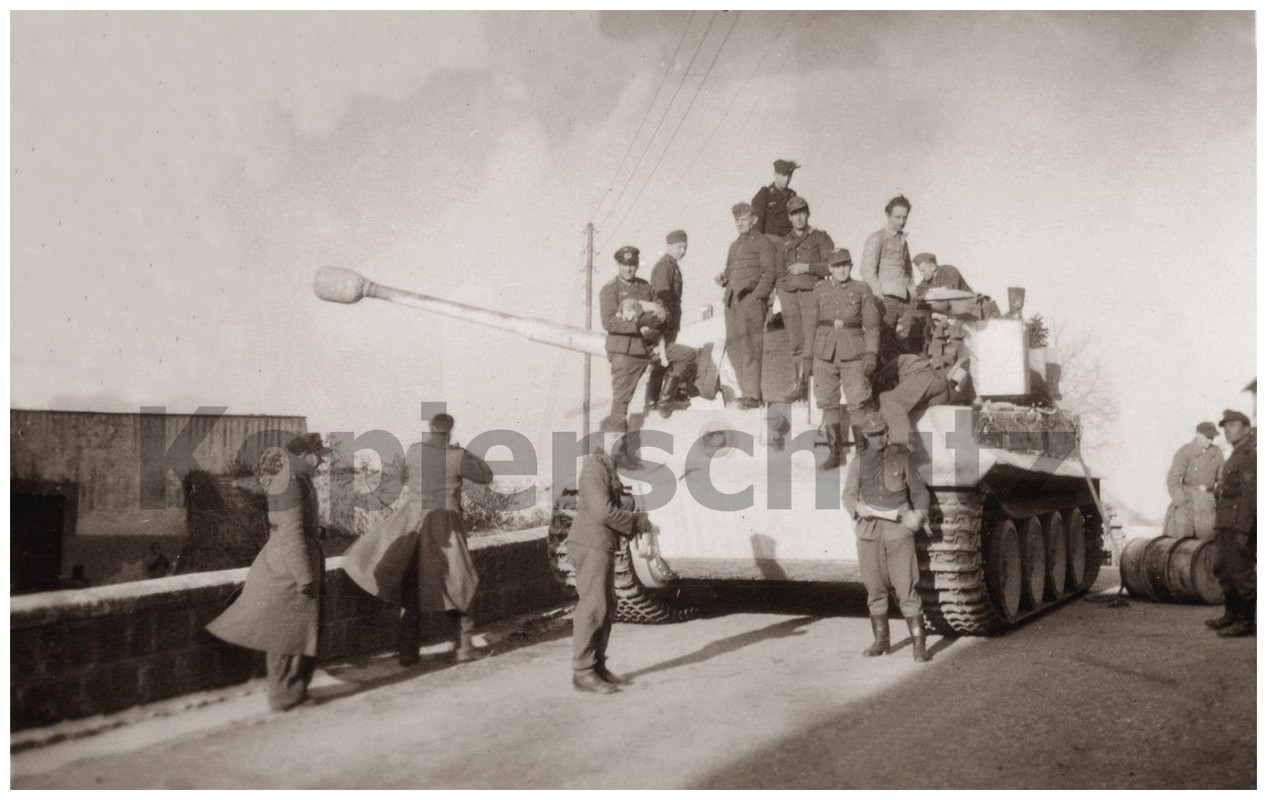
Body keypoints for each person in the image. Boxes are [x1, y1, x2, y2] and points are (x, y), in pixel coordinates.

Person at [343, 413, 494, 665]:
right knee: (460, 583)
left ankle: (407, 653)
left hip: (411, 521)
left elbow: (398, 475)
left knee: (411, 588)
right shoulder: (457, 457)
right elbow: (486, 475)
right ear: (450, 431)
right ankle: (464, 647)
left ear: (430, 430)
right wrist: (463, 451)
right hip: (446, 525)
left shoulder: (414, 452)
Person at [206, 432, 327, 711]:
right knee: (288, 632)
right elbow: (291, 532)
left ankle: (292, 692)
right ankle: (284, 695)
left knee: (297, 630)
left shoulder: (297, 478)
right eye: (318, 455)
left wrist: (316, 531)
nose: (321, 460)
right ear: (305, 455)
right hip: (291, 564)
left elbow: (297, 526)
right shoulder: (291, 482)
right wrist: (304, 576)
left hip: (296, 557)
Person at [568, 434, 653, 693]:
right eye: (616, 438)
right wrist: (636, 521)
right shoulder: (594, 468)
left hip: (600, 544)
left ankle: (597, 666)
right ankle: (583, 672)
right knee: (594, 607)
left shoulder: (607, 467)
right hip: (590, 544)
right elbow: (602, 511)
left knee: (606, 605)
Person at [841, 418, 932, 663]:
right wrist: (857, 507)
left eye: (882, 433)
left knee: (906, 588)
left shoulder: (902, 458)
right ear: (865, 436)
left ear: (887, 432)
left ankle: (918, 643)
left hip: (898, 531)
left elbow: (920, 492)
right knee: (874, 587)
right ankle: (881, 640)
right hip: (869, 531)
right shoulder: (858, 463)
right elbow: (848, 495)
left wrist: (919, 515)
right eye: (872, 434)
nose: (878, 438)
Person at [812, 248, 880, 470]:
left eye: (845, 265)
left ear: (850, 266)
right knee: (827, 401)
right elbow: (811, 324)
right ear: (830, 269)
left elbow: (872, 325)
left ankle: (862, 455)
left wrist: (871, 353)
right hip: (824, 352)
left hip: (853, 352)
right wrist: (807, 356)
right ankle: (835, 454)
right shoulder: (819, 289)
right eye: (836, 266)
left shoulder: (862, 289)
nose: (841, 270)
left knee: (858, 402)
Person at [717, 202, 778, 408]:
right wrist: (723, 279)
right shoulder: (734, 245)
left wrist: (757, 297)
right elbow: (729, 270)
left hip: (750, 302)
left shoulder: (763, 243)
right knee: (735, 347)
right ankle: (746, 392)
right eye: (737, 220)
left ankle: (753, 395)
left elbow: (770, 272)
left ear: (754, 220)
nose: (740, 224)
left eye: (743, 219)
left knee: (750, 347)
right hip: (732, 303)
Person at [598, 245, 662, 444]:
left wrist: (654, 325)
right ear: (618, 264)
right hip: (624, 351)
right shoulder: (610, 290)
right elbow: (609, 322)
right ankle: (615, 450)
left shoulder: (646, 288)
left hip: (648, 347)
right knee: (621, 403)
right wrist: (638, 322)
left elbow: (660, 313)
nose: (629, 269)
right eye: (625, 265)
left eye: (632, 265)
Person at [777, 195, 834, 402]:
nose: (799, 218)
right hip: (789, 295)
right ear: (790, 218)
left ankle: (808, 388)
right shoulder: (784, 242)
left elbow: (831, 265)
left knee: (811, 340)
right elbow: (778, 269)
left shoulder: (820, 238)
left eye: (802, 212)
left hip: (812, 293)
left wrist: (807, 268)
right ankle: (798, 386)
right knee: (795, 342)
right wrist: (783, 290)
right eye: (794, 214)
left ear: (807, 214)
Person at [1206, 409, 1256, 637]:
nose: (1227, 429)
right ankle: (1231, 615)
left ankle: (1246, 621)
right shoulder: (1236, 454)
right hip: (1225, 521)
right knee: (1223, 569)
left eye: (1233, 425)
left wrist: (1245, 529)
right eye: (1225, 426)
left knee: (1241, 573)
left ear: (1246, 429)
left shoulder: (1250, 456)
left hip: (1238, 523)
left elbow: (1251, 496)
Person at [859, 195, 914, 357]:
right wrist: (878, 294)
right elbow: (867, 270)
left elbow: (908, 270)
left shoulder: (903, 240)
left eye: (905, 217)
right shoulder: (877, 238)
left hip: (905, 301)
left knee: (901, 344)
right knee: (883, 343)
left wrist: (912, 291)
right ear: (888, 215)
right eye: (897, 217)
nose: (902, 221)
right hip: (886, 299)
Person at [646, 230, 688, 409]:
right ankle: (653, 399)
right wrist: (665, 322)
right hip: (665, 322)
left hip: (671, 322)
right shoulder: (664, 267)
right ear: (668, 246)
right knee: (661, 358)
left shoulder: (673, 266)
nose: (683, 251)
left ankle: (657, 399)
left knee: (666, 358)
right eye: (679, 247)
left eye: (685, 247)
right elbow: (661, 298)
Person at [874, 354, 951, 449]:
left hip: (922, 376)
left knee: (889, 400)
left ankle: (901, 444)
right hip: (936, 387)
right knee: (902, 410)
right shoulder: (907, 358)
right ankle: (909, 446)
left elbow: (880, 381)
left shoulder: (894, 360)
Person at [1162, 422, 1224, 540]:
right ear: (1198, 435)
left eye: (1212, 438)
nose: (1210, 441)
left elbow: (1222, 479)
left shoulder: (1217, 453)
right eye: (1207, 437)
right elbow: (1173, 479)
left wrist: (1216, 495)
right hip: (1187, 502)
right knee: (1182, 541)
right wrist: (1180, 500)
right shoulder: (1185, 451)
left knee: (1208, 541)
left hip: (1208, 503)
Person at [751, 159, 799, 237]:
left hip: (790, 241)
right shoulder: (764, 195)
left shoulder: (792, 195)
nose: (786, 179)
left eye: (789, 175)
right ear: (775, 174)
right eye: (783, 175)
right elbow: (757, 228)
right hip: (771, 243)